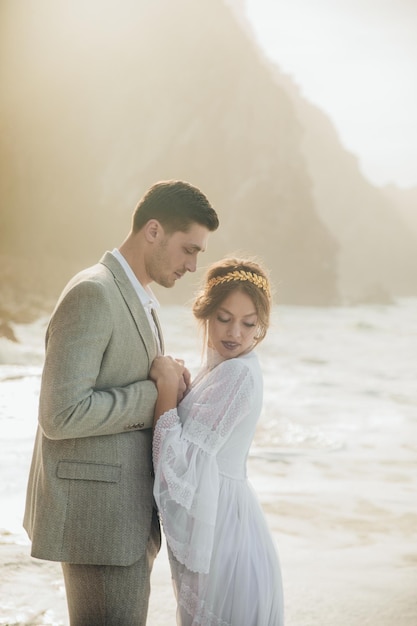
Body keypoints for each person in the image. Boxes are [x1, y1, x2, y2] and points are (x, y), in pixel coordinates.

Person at [23, 179, 219, 626]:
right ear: (153, 231)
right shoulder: (93, 291)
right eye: (189, 249)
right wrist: (157, 395)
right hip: (100, 523)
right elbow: (60, 413)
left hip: (126, 516)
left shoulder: (137, 295)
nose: (192, 266)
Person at [150, 257, 284, 625]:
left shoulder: (237, 373)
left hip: (224, 533)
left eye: (248, 323)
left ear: (261, 327)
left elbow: (180, 470)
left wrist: (164, 386)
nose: (235, 333)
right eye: (224, 318)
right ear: (205, 313)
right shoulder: (221, 369)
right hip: (226, 520)